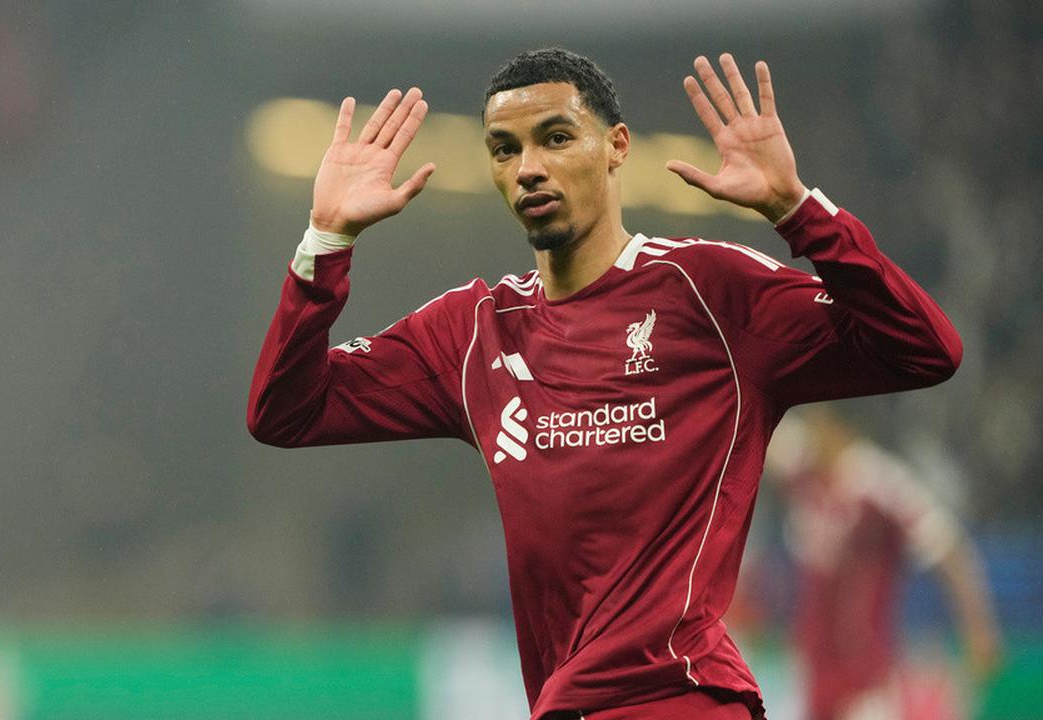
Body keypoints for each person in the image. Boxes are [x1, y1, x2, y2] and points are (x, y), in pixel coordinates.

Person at [247, 48, 963, 720]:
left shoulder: (709, 293)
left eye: (556, 138)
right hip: (566, 705)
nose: (529, 168)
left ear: (617, 146)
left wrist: (798, 211)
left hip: (684, 697)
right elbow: (285, 411)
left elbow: (924, 349)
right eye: (505, 149)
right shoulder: (472, 333)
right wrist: (326, 240)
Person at [768, 407, 1001, 720]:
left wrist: (979, 627)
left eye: (819, 422)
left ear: (841, 427)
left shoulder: (879, 484)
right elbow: (754, 430)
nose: (811, 432)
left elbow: (950, 548)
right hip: (812, 672)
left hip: (864, 678)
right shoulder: (804, 464)